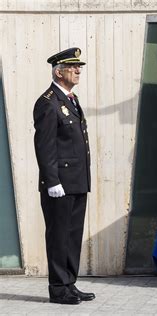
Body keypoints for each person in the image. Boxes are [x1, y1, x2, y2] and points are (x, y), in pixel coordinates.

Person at [33, 47, 94, 304]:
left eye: (79, 67)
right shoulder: (47, 103)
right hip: (60, 183)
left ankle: (69, 283)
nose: (78, 70)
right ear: (59, 72)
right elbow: (44, 145)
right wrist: (52, 180)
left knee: (72, 235)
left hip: (77, 181)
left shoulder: (71, 99)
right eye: (73, 67)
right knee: (59, 235)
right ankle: (58, 289)